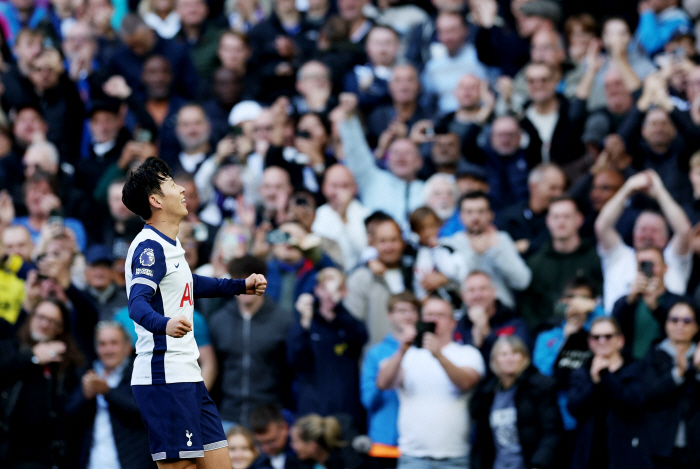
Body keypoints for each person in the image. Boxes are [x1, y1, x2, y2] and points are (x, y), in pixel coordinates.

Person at [121, 157, 268, 468]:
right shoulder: (150, 248)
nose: (183, 188)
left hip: (188, 375)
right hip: (164, 377)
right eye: (173, 184)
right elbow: (137, 304)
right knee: (180, 466)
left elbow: (190, 282)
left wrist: (241, 285)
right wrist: (165, 324)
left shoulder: (169, 243)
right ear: (156, 200)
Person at [377, 297, 485, 469]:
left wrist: (438, 355)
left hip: (454, 456)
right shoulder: (408, 355)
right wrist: (401, 351)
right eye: (429, 315)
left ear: (453, 322)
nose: (434, 320)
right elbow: (383, 383)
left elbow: (466, 382)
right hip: (412, 456)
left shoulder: (467, 353)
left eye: (440, 315)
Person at [209, 255, 293, 428]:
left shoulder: (284, 321)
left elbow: (291, 370)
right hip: (227, 415)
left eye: (251, 279)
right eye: (238, 279)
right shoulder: (219, 321)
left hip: (269, 417)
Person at [0, 297, 85, 469]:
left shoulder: (66, 364)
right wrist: (32, 358)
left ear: (61, 329)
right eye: (41, 317)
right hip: (6, 451)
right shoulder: (10, 347)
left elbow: (70, 413)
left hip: (45, 458)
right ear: (31, 317)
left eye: (53, 321)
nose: (45, 324)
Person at [596, 170, 692, 313]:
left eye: (654, 231)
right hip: (616, 332)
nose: (647, 235)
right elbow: (602, 226)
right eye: (643, 229)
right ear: (633, 234)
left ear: (666, 238)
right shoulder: (620, 257)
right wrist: (627, 189)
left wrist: (660, 192)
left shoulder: (673, 259)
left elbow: (684, 231)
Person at [66, 321, 154, 469]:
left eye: (114, 343)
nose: (108, 350)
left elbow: (145, 412)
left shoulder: (142, 372)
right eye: (102, 344)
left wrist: (107, 391)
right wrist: (85, 396)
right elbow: (68, 416)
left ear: (127, 347)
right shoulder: (88, 373)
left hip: (133, 462)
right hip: (92, 462)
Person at [567, 317, 651, 469]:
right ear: (590, 342)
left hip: (626, 456)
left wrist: (606, 376)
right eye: (596, 337)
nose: (602, 341)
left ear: (620, 340)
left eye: (608, 336)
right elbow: (574, 408)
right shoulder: (581, 372)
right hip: (589, 455)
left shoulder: (636, 368)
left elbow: (633, 403)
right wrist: (595, 383)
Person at [288, 268, 368, 426]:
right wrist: (303, 322)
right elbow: (295, 359)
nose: (330, 293)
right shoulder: (307, 323)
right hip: (313, 411)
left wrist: (338, 310)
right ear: (317, 289)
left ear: (344, 291)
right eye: (325, 287)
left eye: (336, 287)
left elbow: (361, 337)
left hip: (346, 412)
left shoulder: (348, 323)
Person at [470, 336, 562, 469]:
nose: (509, 359)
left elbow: (552, 432)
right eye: (503, 354)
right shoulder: (486, 393)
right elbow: (482, 442)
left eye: (515, 353)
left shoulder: (540, 387)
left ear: (525, 357)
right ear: (495, 360)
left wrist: (539, 464)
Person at [521, 196, 603, 331]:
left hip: (592, 331)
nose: (561, 222)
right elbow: (528, 308)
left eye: (566, 216)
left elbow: (602, 295)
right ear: (548, 221)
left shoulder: (595, 258)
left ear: (579, 219)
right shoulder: (536, 263)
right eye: (556, 217)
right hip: (549, 337)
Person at [441, 191, 531, 309]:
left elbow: (522, 281)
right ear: (460, 216)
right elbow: (453, 284)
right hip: (466, 316)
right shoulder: (449, 244)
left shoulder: (501, 239)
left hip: (502, 313)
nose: (475, 217)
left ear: (491, 215)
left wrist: (496, 251)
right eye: (469, 212)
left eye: (481, 211)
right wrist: (475, 253)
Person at [643, 300, 700, 469]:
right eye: (674, 320)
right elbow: (647, 394)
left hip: (695, 447)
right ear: (666, 324)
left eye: (687, 320)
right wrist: (677, 374)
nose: (680, 325)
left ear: (697, 326)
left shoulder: (698, 356)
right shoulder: (654, 353)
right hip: (660, 446)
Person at [360, 292, 420, 448]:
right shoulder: (376, 353)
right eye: (401, 311)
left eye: (412, 310)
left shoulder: (426, 351)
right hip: (385, 440)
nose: (408, 316)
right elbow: (368, 400)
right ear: (389, 315)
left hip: (419, 440)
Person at [612, 247, 685, 360]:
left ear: (665, 267)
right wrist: (629, 301)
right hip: (631, 365)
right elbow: (613, 329)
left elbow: (681, 330)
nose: (648, 269)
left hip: (664, 364)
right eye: (642, 265)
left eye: (651, 264)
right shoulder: (626, 302)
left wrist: (655, 307)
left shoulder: (679, 303)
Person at [455, 271, 530, 362]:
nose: (477, 295)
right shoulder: (458, 327)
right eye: (471, 290)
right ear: (463, 296)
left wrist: (486, 332)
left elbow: (519, 358)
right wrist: (475, 340)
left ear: (494, 292)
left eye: (483, 289)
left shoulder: (513, 321)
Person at [290, 414, 362, 469]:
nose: (292, 445)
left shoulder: (345, 462)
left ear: (312, 445)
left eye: (296, 442)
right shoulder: (302, 464)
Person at [249, 403, 303, 469]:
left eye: (271, 441)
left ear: (285, 428)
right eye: (260, 443)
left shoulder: (303, 454)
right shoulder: (257, 461)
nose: (265, 448)